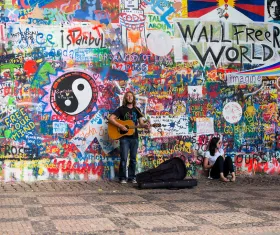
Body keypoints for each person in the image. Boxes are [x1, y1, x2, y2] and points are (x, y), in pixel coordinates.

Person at [109, 91, 150, 184]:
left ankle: (131, 177)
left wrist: (145, 125)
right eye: (127, 96)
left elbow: (141, 123)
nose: (129, 97)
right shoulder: (121, 109)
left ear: (133, 98)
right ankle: (122, 178)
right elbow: (111, 118)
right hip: (124, 138)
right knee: (123, 158)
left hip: (134, 137)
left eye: (131, 96)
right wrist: (120, 126)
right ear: (125, 98)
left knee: (133, 159)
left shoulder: (137, 109)